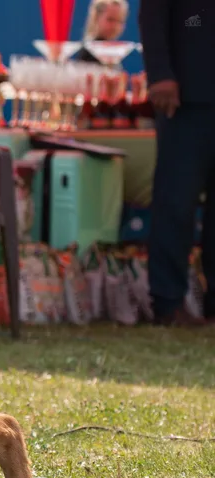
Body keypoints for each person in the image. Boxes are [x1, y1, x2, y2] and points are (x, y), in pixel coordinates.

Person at [139, 0, 215, 325]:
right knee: (176, 202)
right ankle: (168, 302)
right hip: (185, 96)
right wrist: (159, 73)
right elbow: (153, 12)